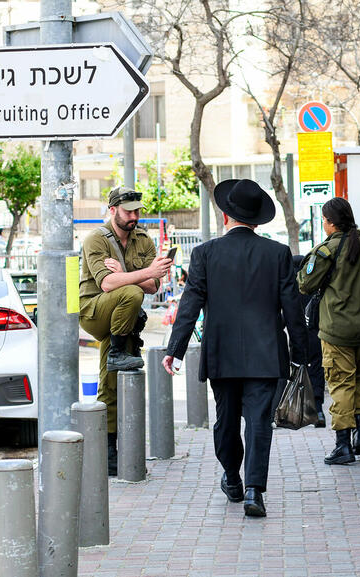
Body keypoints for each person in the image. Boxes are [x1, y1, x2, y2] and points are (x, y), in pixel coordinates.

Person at [161, 179, 307, 518]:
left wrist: (176, 348)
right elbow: (293, 308)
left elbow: (190, 304)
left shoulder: (205, 254)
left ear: (226, 215)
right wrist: (301, 354)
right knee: (258, 422)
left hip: (221, 354)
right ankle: (255, 490)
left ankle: (231, 476)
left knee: (225, 421)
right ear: (256, 220)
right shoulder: (278, 254)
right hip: (267, 354)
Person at [80, 186, 173, 475]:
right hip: (94, 310)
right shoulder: (96, 239)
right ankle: (119, 351)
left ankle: (110, 449)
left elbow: (155, 286)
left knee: (112, 380)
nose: (134, 216)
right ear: (112, 210)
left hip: (123, 318)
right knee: (131, 292)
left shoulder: (143, 240)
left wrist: (121, 271)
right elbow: (108, 285)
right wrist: (138, 275)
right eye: (128, 211)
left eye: (137, 211)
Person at [297, 197, 360, 465]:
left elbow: (304, 283)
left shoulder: (327, 250)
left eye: (324, 221)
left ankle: (343, 445)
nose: (323, 225)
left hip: (338, 332)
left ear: (331, 223)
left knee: (340, 384)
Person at [291, 254, 327, 428]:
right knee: (316, 369)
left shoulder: (288, 285)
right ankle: (318, 409)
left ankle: (295, 410)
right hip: (315, 332)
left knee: (296, 370)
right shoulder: (313, 282)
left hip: (296, 335)